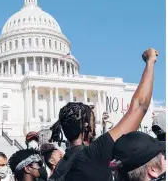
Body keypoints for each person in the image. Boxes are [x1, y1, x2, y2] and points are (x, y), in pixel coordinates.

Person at [50, 48, 159, 181]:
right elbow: (139, 106)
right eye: (92, 120)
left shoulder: (59, 167)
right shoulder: (93, 155)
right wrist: (150, 62)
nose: (94, 127)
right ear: (86, 127)